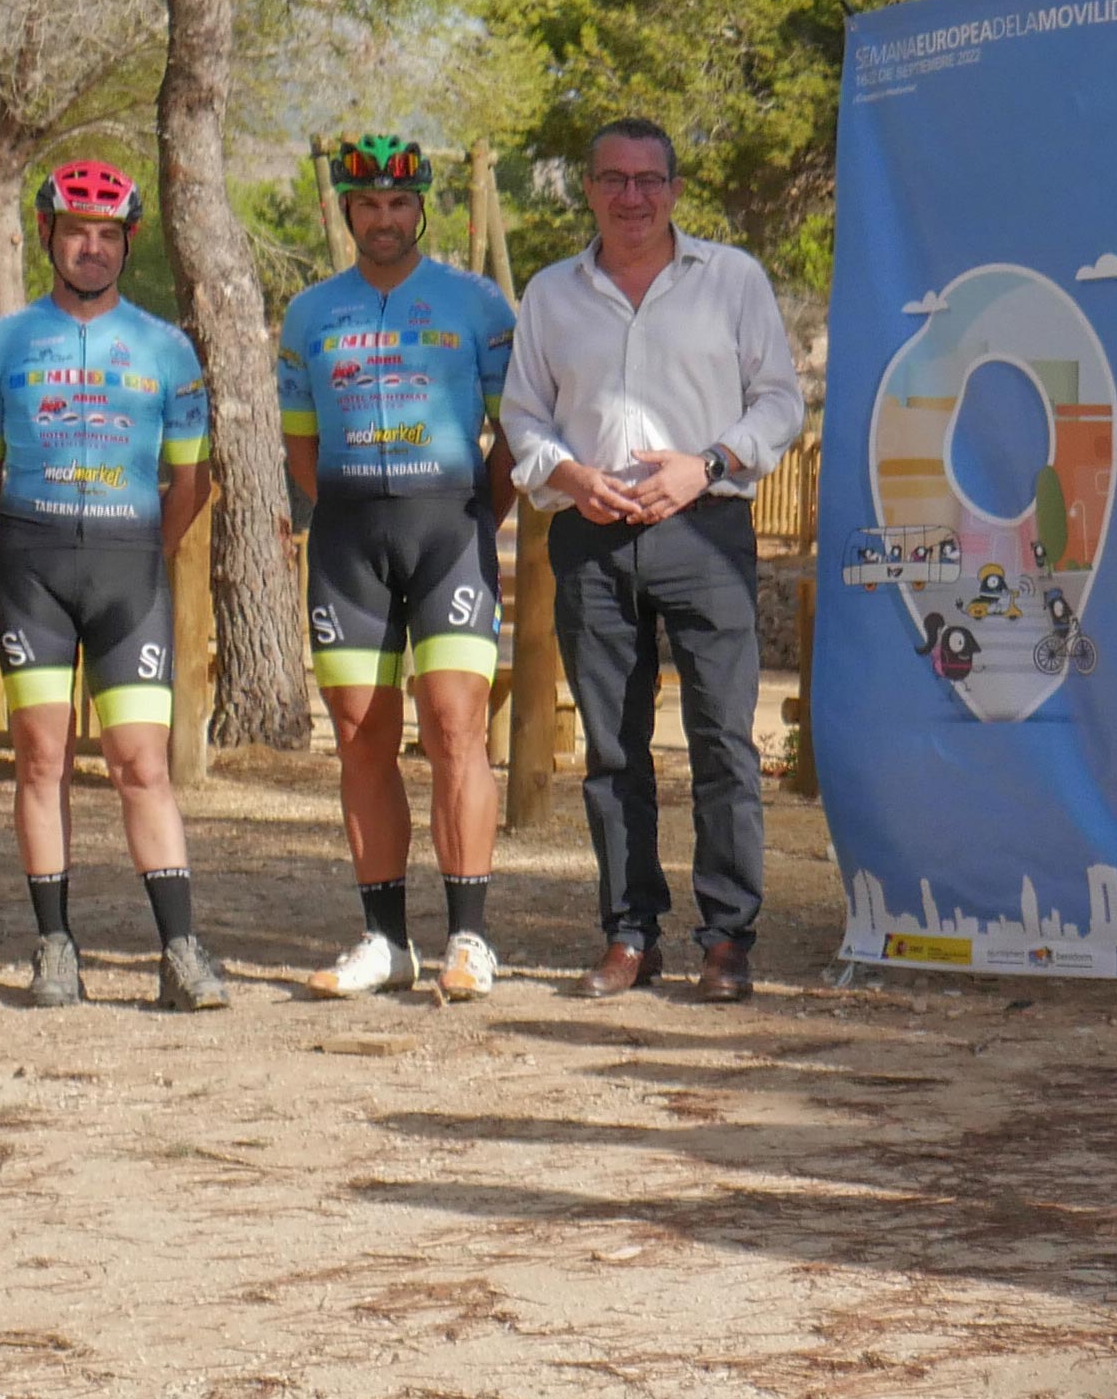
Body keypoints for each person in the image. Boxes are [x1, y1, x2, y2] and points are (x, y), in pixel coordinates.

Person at [504, 117, 805, 1002]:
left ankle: (727, 939)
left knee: (721, 741)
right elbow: (523, 415)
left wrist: (705, 464)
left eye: (648, 179)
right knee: (611, 750)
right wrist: (568, 474)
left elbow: (782, 401)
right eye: (613, 179)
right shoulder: (551, 294)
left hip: (704, 527)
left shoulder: (733, 280)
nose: (631, 196)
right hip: (591, 536)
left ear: (675, 189)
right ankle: (629, 933)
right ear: (588, 189)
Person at [0, 161, 227, 1014]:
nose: (92, 248)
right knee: (41, 756)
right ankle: (55, 944)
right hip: (30, 565)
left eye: (108, 235)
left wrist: (141, 542)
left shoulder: (166, 347)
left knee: (141, 763)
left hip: (129, 567)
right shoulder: (0, 344)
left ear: (127, 244)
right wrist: (30, 536)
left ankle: (179, 948)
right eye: (76, 231)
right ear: (47, 236)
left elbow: (189, 481)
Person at [275, 134, 520, 1003]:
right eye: (368, 205)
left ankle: (469, 937)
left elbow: (513, 434)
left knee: (456, 725)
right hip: (349, 541)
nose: (385, 219)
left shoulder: (476, 303)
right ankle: (385, 940)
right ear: (348, 211)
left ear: (424, 208)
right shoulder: (310, 314)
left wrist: (477, 509)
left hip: (450, 529)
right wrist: (347, 505)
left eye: (400, 204)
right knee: (360, 736)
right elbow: (301, 445)